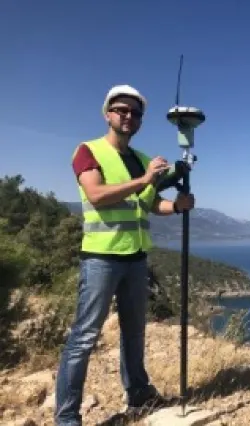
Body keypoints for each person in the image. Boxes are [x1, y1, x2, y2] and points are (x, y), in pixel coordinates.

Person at [55, 84, 194, 425]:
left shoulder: (143, 160)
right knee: (84, 337)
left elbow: (148, 204)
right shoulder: (87, 151)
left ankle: (140, 396)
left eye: (135, 112)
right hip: (101, 258)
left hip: (135, 258)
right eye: (121, 110)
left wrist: (176, 205)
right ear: (108, 114)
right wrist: (146, 178)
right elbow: (98, 194)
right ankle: (67, 417)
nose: (128, 116)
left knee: (135, 332)